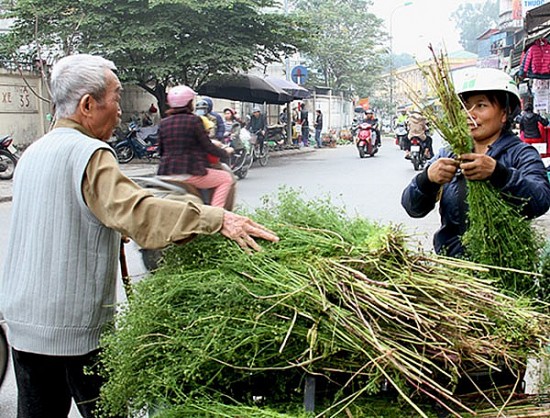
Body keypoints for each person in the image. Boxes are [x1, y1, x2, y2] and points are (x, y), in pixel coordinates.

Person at [0, 54, 279, 418]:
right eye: (116, 98)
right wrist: (217, 219)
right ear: (87, 104)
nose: (119, 111)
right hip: (72, 327)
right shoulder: (90, 152)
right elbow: (140, 213)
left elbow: (65, 217)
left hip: (23, 320)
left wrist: (107, 229)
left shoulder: (34, 152)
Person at [401, 67, 550, 258]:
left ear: (504, 113)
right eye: (465, 106)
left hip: (502, 266)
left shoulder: (520, 154)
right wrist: (427, 179)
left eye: (481, 105)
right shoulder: (449, 153)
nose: (469, 114)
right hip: (454, 268)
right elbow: (412, 208)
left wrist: (499, 174)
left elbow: (540, 201)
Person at [157, 85, 235, 208]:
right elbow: (207, 146)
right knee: (226, 178)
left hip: (165, 173)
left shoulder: (163, 123)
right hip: (189, 172)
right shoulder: (194, 120)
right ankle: (216, 215)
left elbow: (161, 150)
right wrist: (226, 152)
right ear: (189, 103)